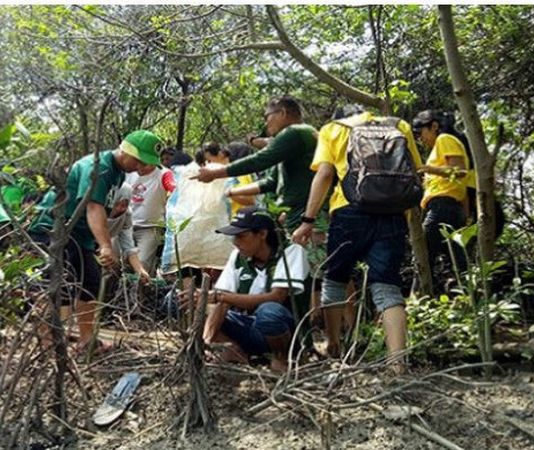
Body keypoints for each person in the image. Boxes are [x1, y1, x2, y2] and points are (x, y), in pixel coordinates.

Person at [292, 109, 423, 372]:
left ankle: (335, 348)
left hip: (348, 210)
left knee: (335, 279)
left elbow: (325, 175)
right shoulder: (400, 126)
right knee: (387, 286)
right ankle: (398, 364)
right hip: (392, 213)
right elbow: (415, 174)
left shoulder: (334, 128)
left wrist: (308, 220)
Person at [28, 130, 163, 353]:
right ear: (127, 151)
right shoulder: (100, 168)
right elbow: (93, 207)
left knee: (90, 282)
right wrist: (106, 245)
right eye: (139, 161)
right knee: (55, 286)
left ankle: (86, 340)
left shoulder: (118, 173)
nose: (140, 168)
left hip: (79, 235)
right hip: (54, 229)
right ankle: (47, 344)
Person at [179, 206, 309, 372]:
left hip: (287, 331)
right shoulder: (237, 256)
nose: (236, 242)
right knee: (198, 309)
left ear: (262, 234)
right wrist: (207, 340)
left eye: (241, 236)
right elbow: (223, 302)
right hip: (249, 327)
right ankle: (235, 352)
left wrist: (219, 297)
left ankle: (282, 357)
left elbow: (277, 297)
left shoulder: (291, 252)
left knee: (269, 312)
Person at [193, 96, 316, 231]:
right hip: (295, 215)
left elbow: (259, 161)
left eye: (267, 117)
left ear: (282, 113)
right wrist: (229, 191)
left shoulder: (296, 132)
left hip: (308, 216)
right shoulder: (296, 140)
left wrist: (215, 173)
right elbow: (270, 182)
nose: (266, 124)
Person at [412, 110, 470, 286]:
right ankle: (470, 295)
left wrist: (428, 169)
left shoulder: (444, 139)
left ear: (434, 126)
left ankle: (417, 299)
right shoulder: (438, 147)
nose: (420, 139)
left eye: (420, 133)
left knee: (423, 253)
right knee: (457, 257)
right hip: (449, 208)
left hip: (442, 206)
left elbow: (459, 171)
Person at [126, 156, 176, 277]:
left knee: (142, 264)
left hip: (150, 227)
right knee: (112, 261)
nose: (141, 168)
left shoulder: (164, 174)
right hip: (124, 225)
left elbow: (174, 187)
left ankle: (139, 294)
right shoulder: (128, 171)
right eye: (139, 163)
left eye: (145, 165)